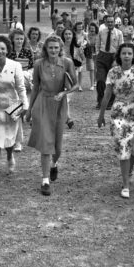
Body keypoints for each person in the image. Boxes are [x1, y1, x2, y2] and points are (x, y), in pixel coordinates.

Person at [97, 43, 134, 198]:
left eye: (129, 53)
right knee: (123, 146)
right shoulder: (113, 72)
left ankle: (129, 169)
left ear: (133, 55)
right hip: (118, 112)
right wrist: (101, 114)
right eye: (123, 53)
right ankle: (125, 185)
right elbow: (107, 94)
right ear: (119, 55)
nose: (126, 56)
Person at [26, 35, 78, 196]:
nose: (53, 50)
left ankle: (54, 164)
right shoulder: (38, 64)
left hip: (59, 104)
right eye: (50, 48)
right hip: (42, 102)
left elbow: (75, 85)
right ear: (46, 49)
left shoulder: (67, 63)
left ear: (60, 48)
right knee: (45, 144)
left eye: (56, 47)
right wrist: (29, 110)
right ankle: (45, 180)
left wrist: (64, 93)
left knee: (58, 147)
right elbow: (35, 88)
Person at [0, 36, 29, 185]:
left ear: (7, 50)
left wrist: (25, 106)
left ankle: (9, 156)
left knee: (9, 139)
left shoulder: (15, 65)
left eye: (3, 49)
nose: (0, 51)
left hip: (12, 103)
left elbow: (21, 88)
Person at [8, 29, 34, 152]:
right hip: (11, 86)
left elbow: (32, 68)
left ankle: (17, 141)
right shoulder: (8, 52)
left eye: (21, 39)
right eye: (17, 38)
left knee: (18, 112)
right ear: (12, 39)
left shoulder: (28, 52)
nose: (19, 41)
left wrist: (24, 76)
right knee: (15, 114)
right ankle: (16, 141)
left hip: (25, 85)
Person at [95, 14, 124, 110]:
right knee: (100, 80)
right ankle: (100, 101)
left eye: (112, 21)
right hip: (102, 57)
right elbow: (97, 44)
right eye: (108, 22)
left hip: (113, 57)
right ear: (106, 22)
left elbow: (121, 47)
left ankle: (110, 102)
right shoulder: (101, 32)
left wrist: (117, 60)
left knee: (111, 81)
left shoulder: (119, 33)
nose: (110, 23)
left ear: (114, 22)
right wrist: (97, 53)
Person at [71, 21, 89, 91]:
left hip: (81, 53)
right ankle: (74, 84)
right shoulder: (73, 34)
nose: (80, 28)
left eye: (81, 26)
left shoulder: (84, 34)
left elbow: (87, 42)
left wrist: (85, 44)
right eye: (78, 26)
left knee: (80, 70)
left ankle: (80, 85)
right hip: (74, 52)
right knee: (73, 69)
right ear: (76, 27)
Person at [86, 22, 98, 89]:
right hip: (90, 52)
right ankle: (93, 82)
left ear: (96, 29)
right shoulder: (87, 35)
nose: (92, 30)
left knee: (96, 67)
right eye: (91, 28)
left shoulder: (98, 35)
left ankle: (95, 80)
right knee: (92, 68)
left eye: (93, 28)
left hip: (96, 52)